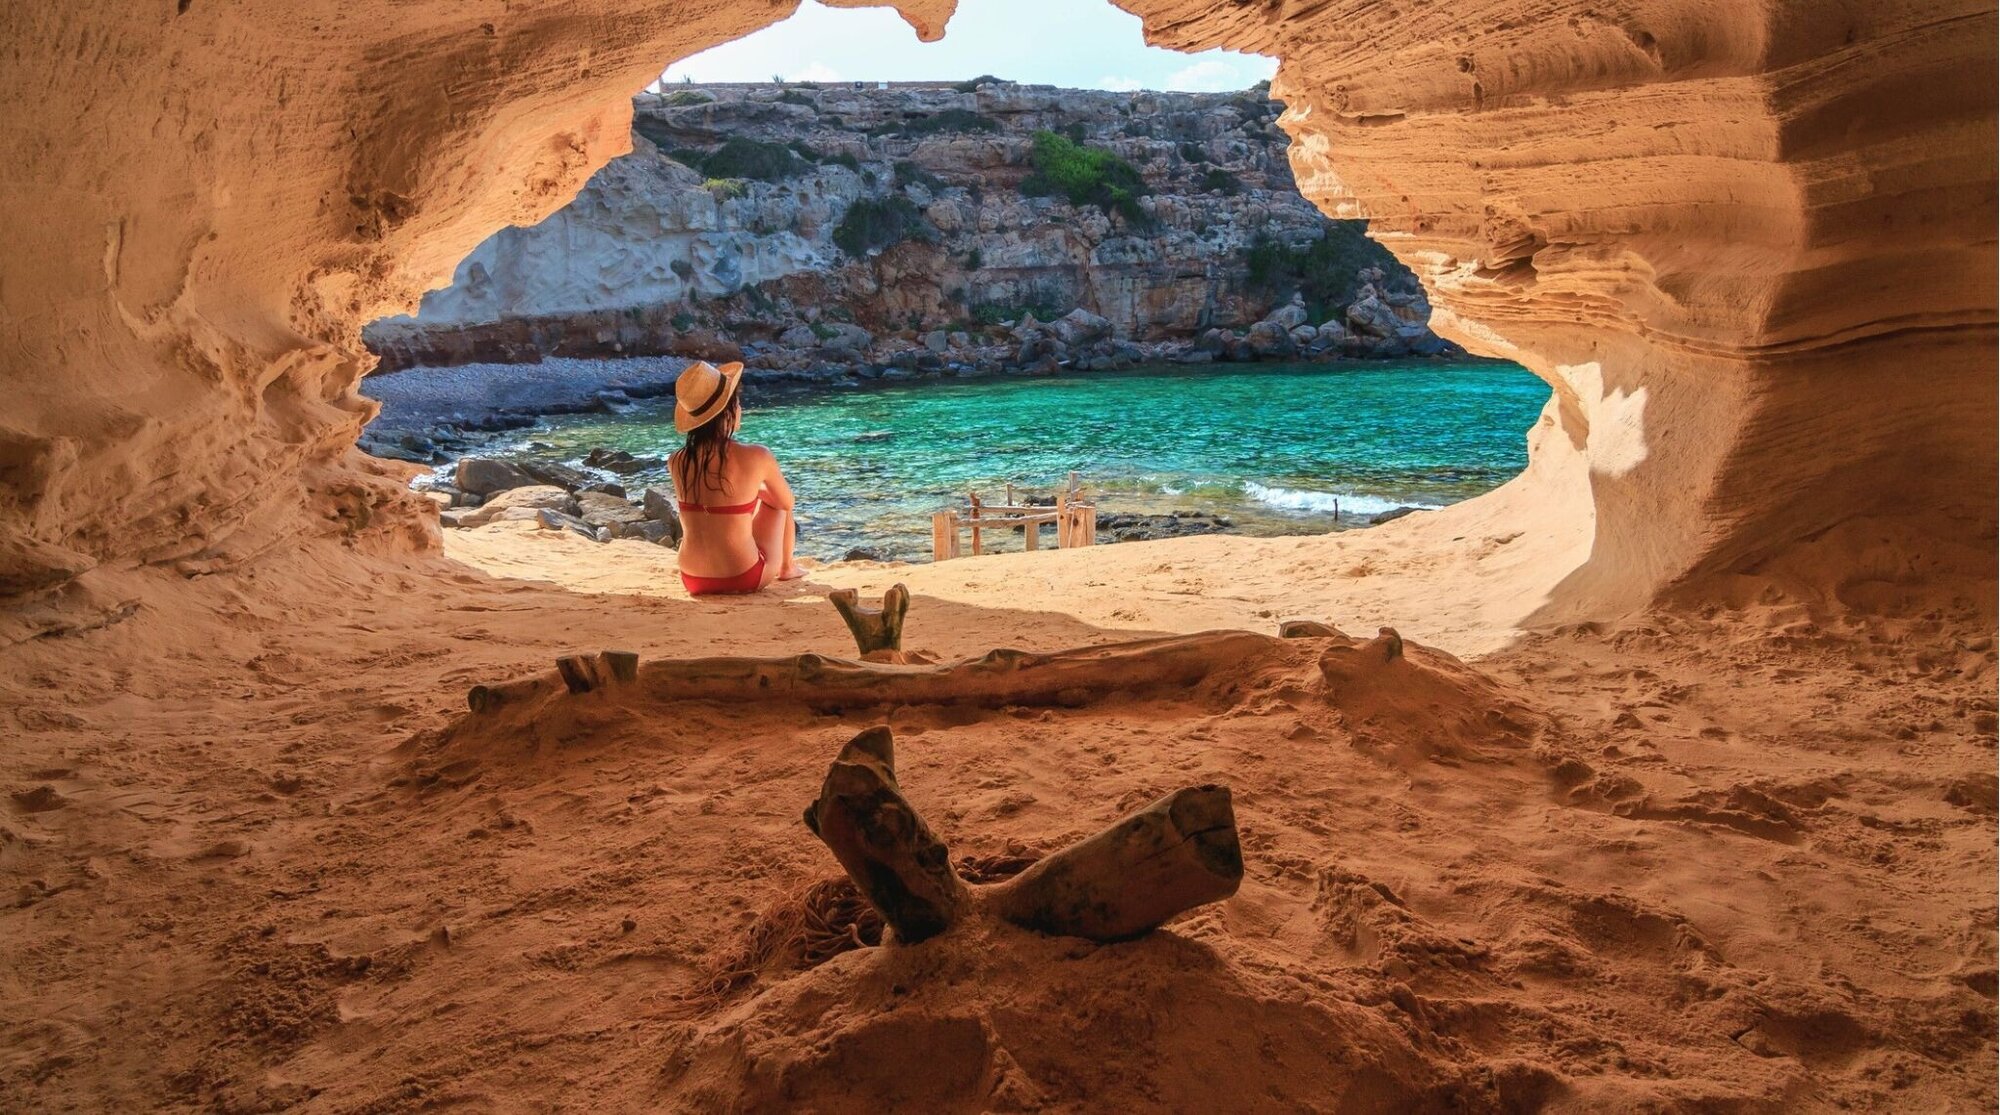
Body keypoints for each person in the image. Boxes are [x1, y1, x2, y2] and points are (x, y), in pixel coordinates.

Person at [667, 360, 804, 595]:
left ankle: (785, 565)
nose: (741, 409)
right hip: (743, 577)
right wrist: (757, 493)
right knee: (779, 503)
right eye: (738, 403)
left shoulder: (676, 460)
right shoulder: (757, 455)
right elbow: (787, 502)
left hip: (692, 578)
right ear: (727, 411)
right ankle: (787, 567)